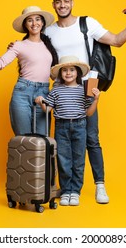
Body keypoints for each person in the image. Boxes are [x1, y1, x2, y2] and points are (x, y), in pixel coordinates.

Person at [44, 0, 126, 204]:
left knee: (90, 137)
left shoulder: (86, 23)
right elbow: (36, 49)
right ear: (53, 5)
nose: (62, 5)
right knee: (64, 141)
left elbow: (117, 40)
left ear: (72, 2)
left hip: (88, 83)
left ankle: (100, 185)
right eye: (58, 1)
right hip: (63, 87)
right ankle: (68, 187)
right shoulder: (49, 31)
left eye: (66, 1)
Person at [0, 6, 58, 136]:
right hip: (22, 93)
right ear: (25, 25)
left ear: (42, 23)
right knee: (23, 141)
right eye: (30, 20)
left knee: (43, 141)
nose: (34, 23)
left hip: (43, 94)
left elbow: (56, 73)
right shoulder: (19, 45)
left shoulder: (49, 45)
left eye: (37, 19)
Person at [35, 55, 100, 206]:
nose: (68, 73)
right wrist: (41, 102)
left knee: (78, 160)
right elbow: (48, 109)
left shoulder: (84, 91)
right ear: (60, 74)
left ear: (78, 72)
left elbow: (89, 113)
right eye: (64, 70)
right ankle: (65, 191)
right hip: (61, 127)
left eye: (71, 70)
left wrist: (96, 100)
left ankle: (75, 192)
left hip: (79, 126)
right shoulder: (56, 90)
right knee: (63, 160)